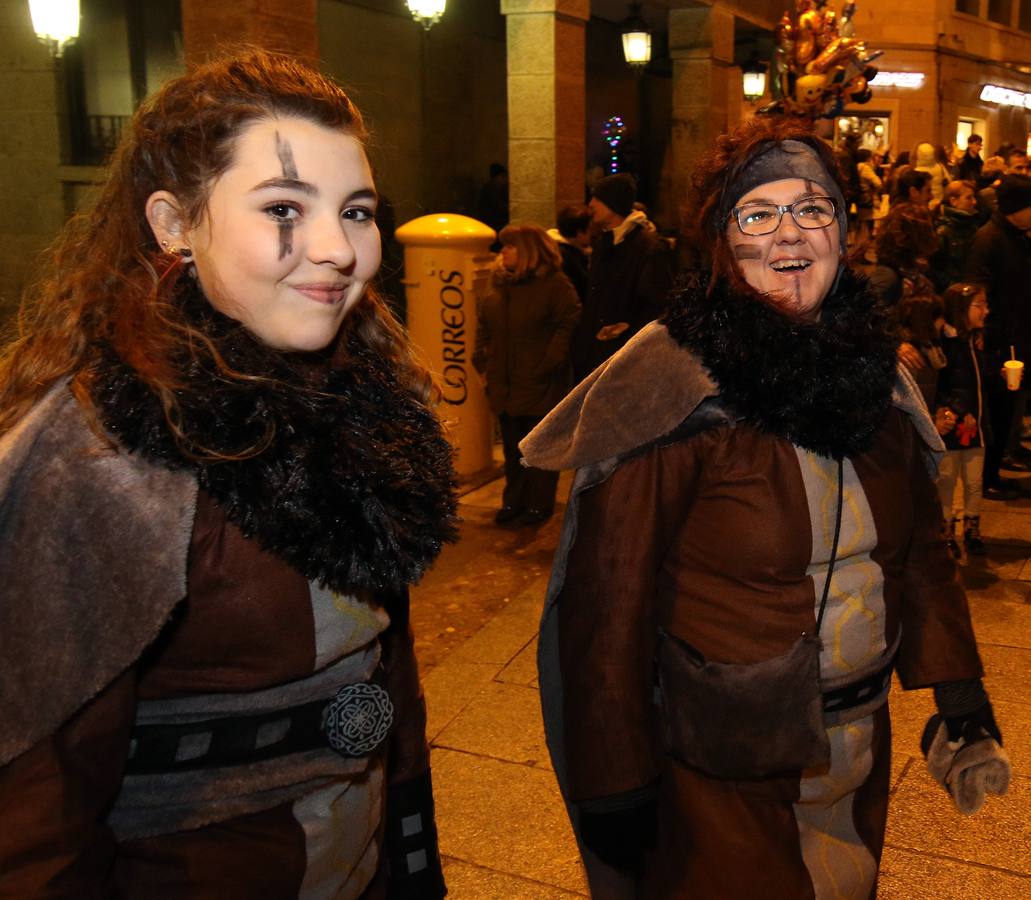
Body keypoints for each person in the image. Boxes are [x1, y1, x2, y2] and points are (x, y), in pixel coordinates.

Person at [0, 53, 457, 898]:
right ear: (175, 223)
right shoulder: (97, 458)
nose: (337, 249)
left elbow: (384, 683)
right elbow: (35, 813)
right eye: (284, 207)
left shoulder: (356, 407)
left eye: (356, 211)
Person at [521, 118, 1007, 898]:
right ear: (721, 238)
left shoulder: (875, 377)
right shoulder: (670, 388)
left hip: (858, 745)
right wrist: (613, 781)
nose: (790, 234)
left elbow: (916, 554)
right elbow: (604, 607)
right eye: (758, 214)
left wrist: (960, 697)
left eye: (813, 209)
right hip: (726, 765)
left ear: (844, 232)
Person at [473, 224, 580, 526]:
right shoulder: (502, 284)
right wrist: (480, 361)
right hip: (505, 380)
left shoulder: (555, 285)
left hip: (539, 380)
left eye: (510, 246)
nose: (503, 252)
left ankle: (538, 504)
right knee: (512, 447)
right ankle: (514, 501)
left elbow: (569, 320)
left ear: (530, 251)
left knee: (538, 448)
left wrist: (549, 363)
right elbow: (485, 324)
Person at [570, 173, 674, 380]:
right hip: (595, 352)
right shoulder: (604, 243)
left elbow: (658, 303)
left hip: (623, 356)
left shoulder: (647, 247)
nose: (591, 205)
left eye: (597, 199)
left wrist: (625, 330)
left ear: (613, 204)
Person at [966, 173, 1031, 497]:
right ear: (1015, 208)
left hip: (1016, 336)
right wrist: (982, 332)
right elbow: (979, 289)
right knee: (997, 410)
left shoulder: (1018, 236)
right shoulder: (989, 238)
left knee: (1009, 408)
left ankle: (996, 470)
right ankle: (988, 479)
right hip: (999, 343)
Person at [935, 284, 993, 558]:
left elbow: (978, 381)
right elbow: (943, 385)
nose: (986, 310)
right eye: (979, 305)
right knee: (947, 478)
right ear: (961, 309)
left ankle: (971, 528)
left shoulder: (976, 340)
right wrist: (958, 409)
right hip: (951, 424)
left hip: (976, 425)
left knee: (973, 481)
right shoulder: (945, 341)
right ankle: (946, 531)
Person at [929, 180, 981, 293]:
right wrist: (955, 287)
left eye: (974, 197)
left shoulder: (971, 224)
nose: (974, 202)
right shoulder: (943, 231)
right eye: (969, 198)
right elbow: (934, 269)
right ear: (953, 201)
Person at [549, 204, 592, 302]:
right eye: (590, 229)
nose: (593, 233)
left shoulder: (563, 251)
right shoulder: (566, 257)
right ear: (580, 232)